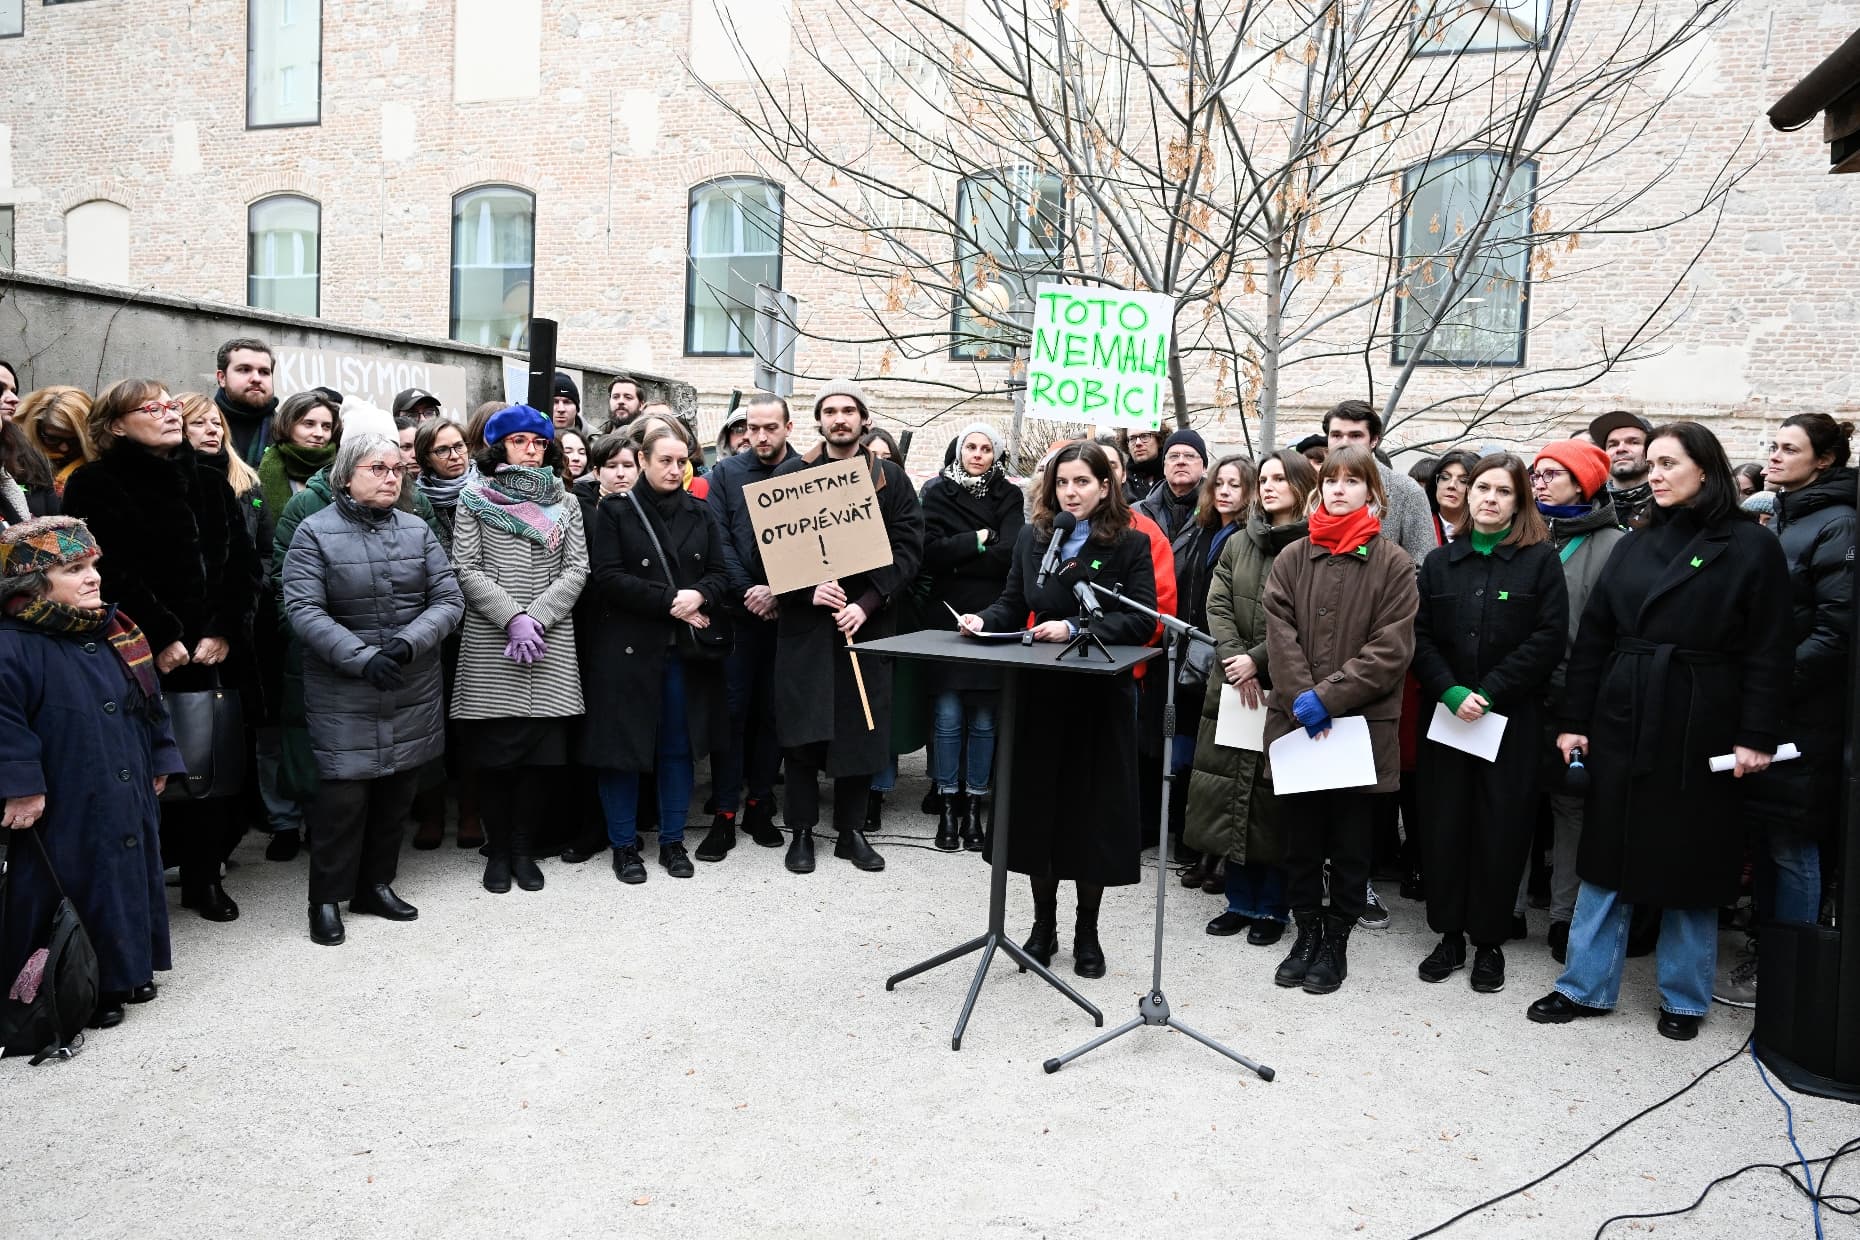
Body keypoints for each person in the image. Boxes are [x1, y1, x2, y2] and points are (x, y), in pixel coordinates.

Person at [1531, 421, 1792, 1041]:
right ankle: (1584, 985)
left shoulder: (1752, 547)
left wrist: (1756, 735)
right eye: (1650, 464)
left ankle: (1684, 996)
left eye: (1668, 463)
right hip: (1626, 711)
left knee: (1692, 860)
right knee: (1606, 851)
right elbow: (1594, 638)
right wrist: (1574, 721)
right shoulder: (1634, 541)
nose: (1654, 473)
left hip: (1704, 717)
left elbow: (1769, 650)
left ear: (1706, 469)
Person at [62, 379, 260, 923]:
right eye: (150, 407)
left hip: (212, 653)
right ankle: (144, 887)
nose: (168, 413)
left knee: (212, 769)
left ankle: (204, 878)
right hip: (135, 652)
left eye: (171, 404)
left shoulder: (209, 481)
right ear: (116, 425)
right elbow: (107, 569)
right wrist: (161, 635)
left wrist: (222, 630)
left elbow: (242, 565)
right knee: (145, 774)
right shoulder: (93, 483)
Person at [958, 442, 1158, 978]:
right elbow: (1011, 601)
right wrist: (983, 621)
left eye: (1083, 482)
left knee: (1088, 814)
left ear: (1104, 486)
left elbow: (1141, 622)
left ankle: (1086, 931)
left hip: (1098, 696)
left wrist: (1075, 628)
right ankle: (1042, 925)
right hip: (1040, 692)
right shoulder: (1035, 536)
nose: (1072, 492)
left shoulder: (1131, 543)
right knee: (1037, 810)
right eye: (1063, 483)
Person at [0, 517, 187, 1033]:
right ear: (33, 585)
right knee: (75, 883)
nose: (93, 579)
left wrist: (162, 756)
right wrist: (20, 787)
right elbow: (5, 722)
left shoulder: (116, 631)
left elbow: (149, 705)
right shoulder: (13, 645)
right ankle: (83, 983)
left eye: (93, 566)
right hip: (66, 795)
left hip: (125, 782)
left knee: (129, 876)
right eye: (73, 569)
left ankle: (130, 970)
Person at [281, 433, 463, 946]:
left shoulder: (416, 528)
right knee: (342, 801)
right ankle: (324, 900)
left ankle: (374, 885)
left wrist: (406, 646)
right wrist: (363, 660)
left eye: (396, 470)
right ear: (346, 476)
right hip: (345, 689)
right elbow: (303, 610)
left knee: (396, 794)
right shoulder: (314, 533)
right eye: (376, 469)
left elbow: (448, 599)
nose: (390, 477)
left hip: (410, 681)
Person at [1262, 445, 1418, 995]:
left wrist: (1329, 697)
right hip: (1297, 723)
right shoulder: (1293, 557)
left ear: (1372, 494)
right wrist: (1302, 695)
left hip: (1359, 728)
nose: (1339, 489)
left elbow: (1391, 647)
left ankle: (1337, 938)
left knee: (1352, 841)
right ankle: (1305, 931)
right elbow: (1278, 633)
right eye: (1331, 480)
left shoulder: (1392, 562)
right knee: (1300, 837)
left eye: (1353, 481)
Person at [1410, 454, 1568, 994]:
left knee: (1501, 832)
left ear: (1519, 500)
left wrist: (1491, 689)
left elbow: (1548, 638)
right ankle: (1449, 934)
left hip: (1511, 720)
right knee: (1445, 827)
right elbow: (1420, 638)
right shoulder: (1439, 563)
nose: (1489, 498)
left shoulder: (1539, 562)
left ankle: (1488, 941)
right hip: (1448, 720)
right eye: (1482, 488)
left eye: (1503, 490)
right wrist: (1450, 690)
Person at [1718, 414, 1856, 1006]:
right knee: (1767, 834)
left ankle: (1793, 974)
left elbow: (1834, 633)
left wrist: (1765, 687)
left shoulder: (1839, 525)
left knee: (1791, 844)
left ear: (1823, 460)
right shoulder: (1780, 517)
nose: (1772, 456)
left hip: (1803, 714)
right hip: (1766, 706)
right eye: (1769, 446)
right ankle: (1766, 953)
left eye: (1788, 449)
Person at [771, 382, 924, 874]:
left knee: (861, 729)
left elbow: (908, 549)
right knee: (802, 732)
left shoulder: (891, 481)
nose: (840, 419)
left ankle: (851, 831)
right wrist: (805, 590)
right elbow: (769, 550)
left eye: (848, 411)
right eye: (830, 411)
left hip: (865, 626)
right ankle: (799, 831)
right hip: (807, 629)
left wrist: (868, 601)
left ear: (863, 420)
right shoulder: (792, 476)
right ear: (819, 421)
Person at [450, 405, 589, 894]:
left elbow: (577, 569)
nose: (532, 449)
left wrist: (537, 619)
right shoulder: (473, 498)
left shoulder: (566, 502)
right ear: (500, 446)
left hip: (548, 644)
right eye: (520, 441)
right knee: (495, 758)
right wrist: (512, 617)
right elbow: (465, 566)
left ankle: (526, 850)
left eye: (538, 441)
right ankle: (499, 850)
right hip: (493, 643)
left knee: (539, 759)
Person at [581, 424, 729, 882]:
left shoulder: (701, 514)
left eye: (681, 460)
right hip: (626, 651)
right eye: (665, 460)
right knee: (623, 751)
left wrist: (700, 596)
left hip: (682, 654)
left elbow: (721, 575)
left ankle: (672, 841)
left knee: (676, 750)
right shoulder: (617, 512)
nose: (674, 468)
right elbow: (607, 577)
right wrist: (672, 601)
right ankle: (624, 846)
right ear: (642, 461)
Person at [1186, 449, 1315, 947]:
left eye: (1279, 478)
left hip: (1282, 685)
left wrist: (1257, 660)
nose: (1268, 486)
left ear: (1302, 485)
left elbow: (1301, 618)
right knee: (1230, 790)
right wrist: (1233, 655)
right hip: (1233, 684)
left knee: (1272, 797)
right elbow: (1216, 602)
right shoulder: (1239, 541)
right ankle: (1238, 901)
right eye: (1264, 479)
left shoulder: (1311, 547)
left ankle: (1272, 908)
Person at [1525, 437, 1628, 963]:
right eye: (1536, 473)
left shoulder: (1614, 545)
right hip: (1519, 692)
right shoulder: (1524, 532)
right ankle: (1509, 905)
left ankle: (1563, 918)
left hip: (1577, 698)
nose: (1538, 482)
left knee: (1570, 809)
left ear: (1584, 483)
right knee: (1516, 804)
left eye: (1552, 474)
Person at [917, 423, 1024, 850]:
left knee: (983, 719)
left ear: (995, 456)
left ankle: (975, 806)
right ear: (959, 452)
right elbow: (929, 552)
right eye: (970, 447)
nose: (977, 454)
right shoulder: (938, 492)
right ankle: (947, 804)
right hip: (945, 616)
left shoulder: (1010, 495)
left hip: (994, 617)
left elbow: (1011, 553)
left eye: (985, 448)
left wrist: (958, 553)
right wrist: (980, 539)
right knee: (945, 717)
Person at [706, 393, 797, 853]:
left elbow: (817, 543)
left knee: (773, 716)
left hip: (792, 617)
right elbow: (718, 539)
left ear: (788, 428)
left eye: (770, 428)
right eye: (753, 428)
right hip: (738, 618)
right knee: (733, 715)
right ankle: (724, 811)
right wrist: (751, 592)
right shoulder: (725, 474)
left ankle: (760, 804)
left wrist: (780, 591)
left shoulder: (809, 474)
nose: (760, 436)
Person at [1171, 453, 1254, 891]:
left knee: (1228, 759)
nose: (1224, 491)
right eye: (1219, 483)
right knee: (1198, 760)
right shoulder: (1203, 530)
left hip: (1230, 656)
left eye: (1235, 485)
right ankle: (1202, 849)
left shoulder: (1247, 537)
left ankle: (1223, 856)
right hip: (1192, 656)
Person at [1322, 400, 1434, 565]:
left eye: (1355, 436)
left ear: (1374, 440)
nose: (1344, 443)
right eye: (1336, 435)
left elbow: (1422, 565)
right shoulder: (1314, 487)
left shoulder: (1407, 491)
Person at [258, 391, 341, 520]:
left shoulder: (343, 471)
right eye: (309, 424)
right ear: (288, 425)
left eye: (326, 426)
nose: (319, 433)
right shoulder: (269, 467)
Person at [17, 386, 97, 496]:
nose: (64, 448)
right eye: (53, 439)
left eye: (74, 441)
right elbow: (12, 491)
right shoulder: (15, 456)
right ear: (36, 429)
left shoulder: (100, 466)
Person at [413, 418, 476, 553]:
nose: (454, 456)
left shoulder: (489, 488)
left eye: (459, 446)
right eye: (442, 450)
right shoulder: (417, 500)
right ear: (426, 459)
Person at [213, 338, 278, 466]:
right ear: (222, 378)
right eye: (244, 369)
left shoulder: (288, 430)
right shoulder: (195, 426)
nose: (256, 378)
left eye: (264, 372)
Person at [1586, 410, 1655, 529]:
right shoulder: (1588, 507)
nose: (1621, 449)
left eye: (1633, 442)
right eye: (1612, 445)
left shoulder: (1668, 503)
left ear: (1651, 450)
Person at [1134, 428, 1207, 541]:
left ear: (1204, 467)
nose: (1181, 461)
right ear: (1164, 467)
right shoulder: (1137, 513)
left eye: (1189, 456)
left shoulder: (1218, 511)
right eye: (1173, 456)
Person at [1425, 450, 1478, 543]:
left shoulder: (1484, 529)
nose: (1452, 485)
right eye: (1445, 477)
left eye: (1463, 481)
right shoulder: (1420, 523)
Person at [1119, 428, 1164, 505]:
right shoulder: (1120, 481)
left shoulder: (1173, 474)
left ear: (1159, 440)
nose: (1138, 443)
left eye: (1145, 436)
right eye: (1132, 438)